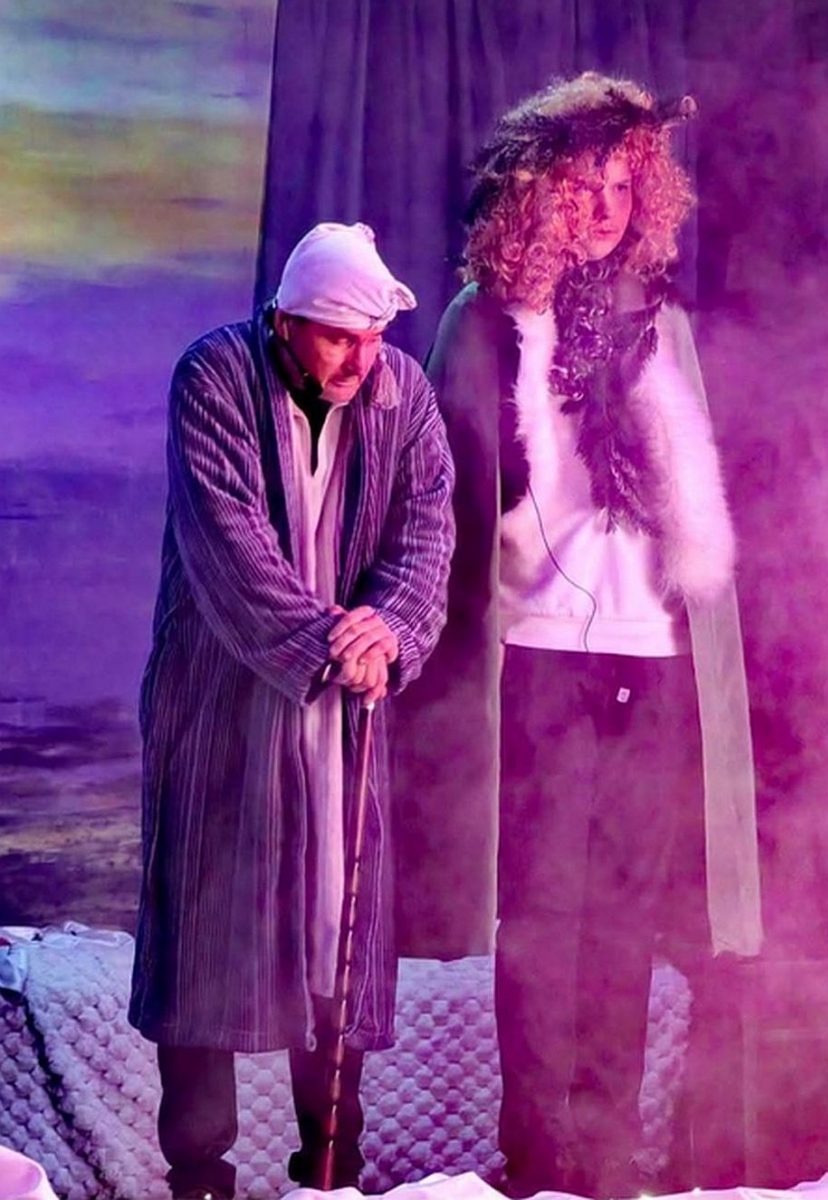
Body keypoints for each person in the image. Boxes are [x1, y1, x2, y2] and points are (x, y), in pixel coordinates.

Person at [395, 74, 762, 1199]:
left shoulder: (658, 325)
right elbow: (442, 499)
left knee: (625, 924)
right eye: (581, 183)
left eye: (622, 186)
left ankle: (605, 1164)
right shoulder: (485, 319)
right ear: (534, 188)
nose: (604, 208)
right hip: (539, 652)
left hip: (649, 655)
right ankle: (539, 1158)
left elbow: (692, 502)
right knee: (544, 920)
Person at [128, 222, 455, 1200]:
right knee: (209, 932)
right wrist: (333, 644)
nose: (359, 360)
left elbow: (426, 534)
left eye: (372, 338)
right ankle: (199, 1175)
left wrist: (390, 628)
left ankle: (328, 1173)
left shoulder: (402, 394)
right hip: (222, 703)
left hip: (346, 715)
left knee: (335, 933)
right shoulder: (215, 377)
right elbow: (229, 548)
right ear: (284, 321)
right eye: (336, 338)